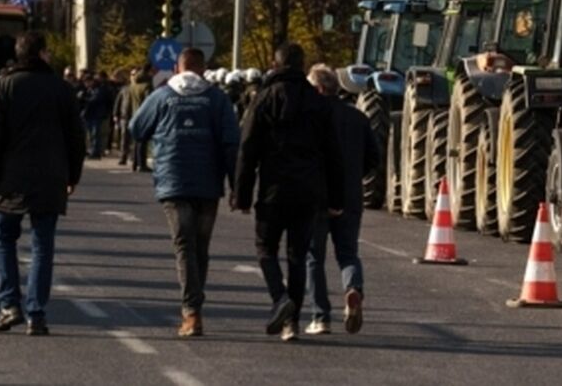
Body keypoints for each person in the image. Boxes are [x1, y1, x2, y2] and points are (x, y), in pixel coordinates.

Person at [0, 31, 86, 336]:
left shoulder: (3, 86)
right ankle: (36, 312)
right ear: (43, 54)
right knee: (43, 245)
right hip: (51, 178)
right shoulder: (61, 89)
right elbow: (77, 137)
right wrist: (72, 176)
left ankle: (9, 305)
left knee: (4, 239)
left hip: (11, 179)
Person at [234, 43, 344, 343]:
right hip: (308, 191)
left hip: (272, 190)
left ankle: (279, 297)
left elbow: (248, 149)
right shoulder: (318, 103)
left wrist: (241, 195)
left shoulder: (264, 98)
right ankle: (291, 324)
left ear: (275, 64)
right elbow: (333, 154)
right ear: (301, 65)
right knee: (297, 256)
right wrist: (335, 199)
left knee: (265, 249)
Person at [130, 48, 240, 337]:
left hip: (173, 182)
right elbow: (231, 143)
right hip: (208, 185)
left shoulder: (163, 96)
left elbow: (136, 128)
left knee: (183, 246)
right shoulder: (217, 99)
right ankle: (194, 309)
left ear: (178, 69)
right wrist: (236, 186)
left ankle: (191, 313)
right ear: (204, 70)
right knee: (200, 247)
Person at [305, 64, 379, 335]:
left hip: (316, 197)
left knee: (314, 257)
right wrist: (353, 176)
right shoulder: (358, 118)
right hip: (349, 196)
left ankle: (320, 315)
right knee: (348, 253)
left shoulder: (309, 118)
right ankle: (353, 289)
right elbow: (374, 158)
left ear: (318, 88)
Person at [127, 65, 154, 172]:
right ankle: (142, 164)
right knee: (143, 140)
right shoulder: (147, 86)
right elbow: (149, 102)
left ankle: (135, 163)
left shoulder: (133, 85)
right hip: (143, 115)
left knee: (137, 140)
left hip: (134, 113)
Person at [80, 73, 110, 160]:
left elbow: (95, 100)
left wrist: (84, 98)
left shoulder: (99, 89)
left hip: (96, 114)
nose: (86, 84)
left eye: (87, 82)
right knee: (91, 134)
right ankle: (93, 150)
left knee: (95, 134)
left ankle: (96, 152)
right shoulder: (90, 89)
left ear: (91, 81)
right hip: (90, 115)